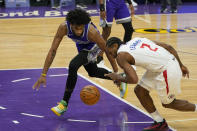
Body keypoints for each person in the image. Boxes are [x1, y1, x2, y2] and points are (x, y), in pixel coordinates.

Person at [32, 9, 119, 116]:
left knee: (73, 65)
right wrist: (43, 74)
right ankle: (121, 78)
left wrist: (115, 70)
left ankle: (63, 104)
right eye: (76, 28)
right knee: (93, 72)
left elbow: (107, 51)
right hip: (81, 46)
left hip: (93, 46)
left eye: (81, 28)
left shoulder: (92, 32)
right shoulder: (63, 27)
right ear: (70, 24)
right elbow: (53, 51)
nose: (78, 31)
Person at [105, 37, 197, 130]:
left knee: (169, 103)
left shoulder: (120, 56)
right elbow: (168, 47)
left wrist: (118, 77)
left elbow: (134, 79)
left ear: (115, 46)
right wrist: (181, 65)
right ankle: (160, 122)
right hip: (164, 64)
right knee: (140, 91)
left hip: (167, 69)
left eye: (110, 52)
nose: (110, 55)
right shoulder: (136, 40)